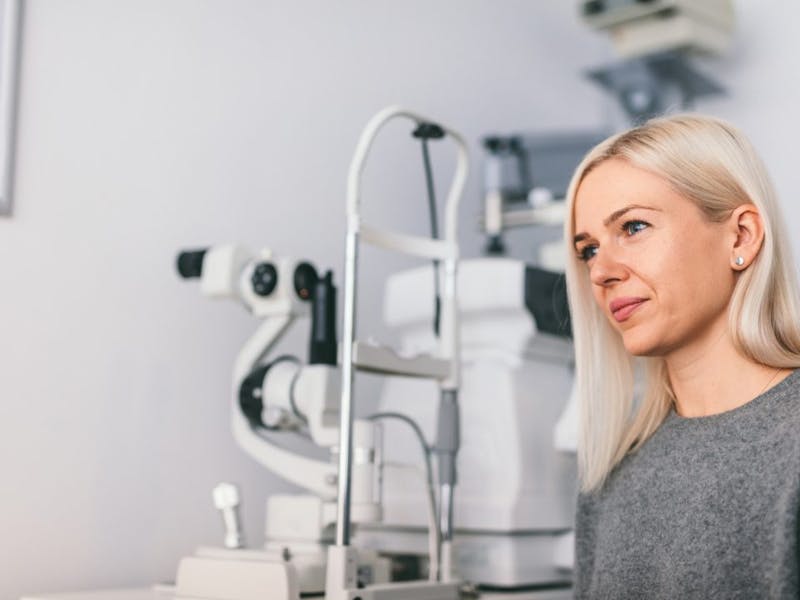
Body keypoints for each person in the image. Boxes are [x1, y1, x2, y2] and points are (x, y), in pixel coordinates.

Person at [563, 114, 800, 598]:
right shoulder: (611, 473)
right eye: (588, 250)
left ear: (741, 237)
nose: (601, 271)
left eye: (633, 226)